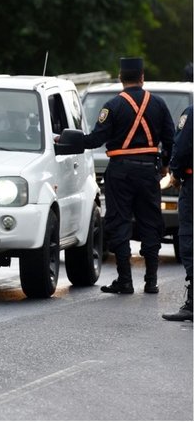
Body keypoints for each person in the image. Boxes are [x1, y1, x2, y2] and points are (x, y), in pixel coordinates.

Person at [59, 57, 175, 294]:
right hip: (147, 171)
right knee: (150, 223)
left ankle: (125, 281)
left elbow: (94, 140)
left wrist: (66, 139)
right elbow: (171, 140)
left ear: (121, 78)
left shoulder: (112, 106)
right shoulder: (159, 104)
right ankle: (151, 282)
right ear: (142, 77)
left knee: (119, 222)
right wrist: (164, 167)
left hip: (120, 171)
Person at [162, 105, 193, 321]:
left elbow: (181, 147)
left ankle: (192, 302)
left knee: (190, 235)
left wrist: (175, 173)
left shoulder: (191, 113)